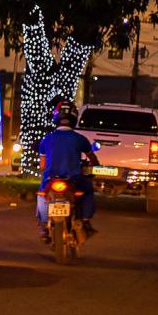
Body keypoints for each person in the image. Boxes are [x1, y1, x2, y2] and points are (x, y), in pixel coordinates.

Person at [36, 102, 99, 242]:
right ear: (74, 118)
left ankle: (44, 226)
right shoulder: (80, 139)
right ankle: (86, 220)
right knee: (88, 191)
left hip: (50, 179)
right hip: (74, 179)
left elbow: (42, 165)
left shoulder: (47, 139)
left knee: (42, 194)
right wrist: (95, 167)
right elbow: (93, 158)